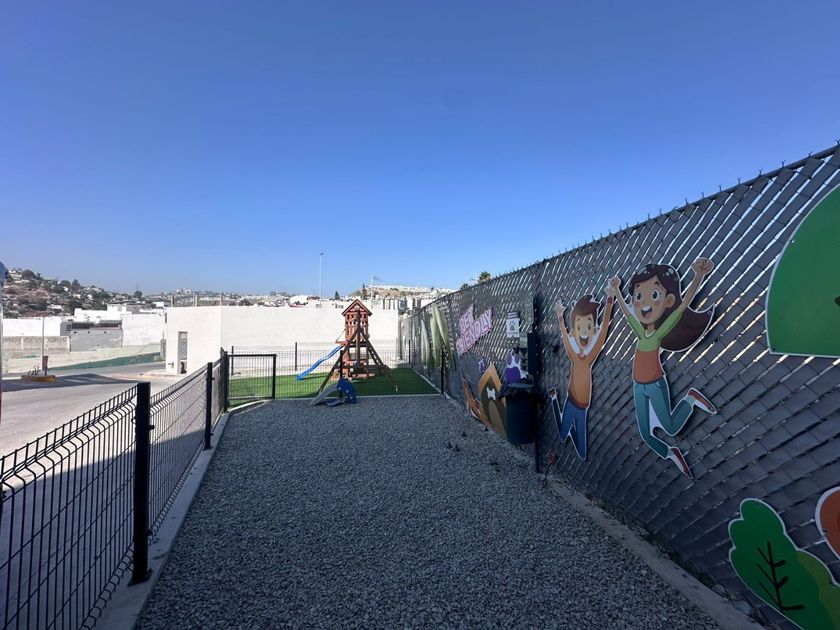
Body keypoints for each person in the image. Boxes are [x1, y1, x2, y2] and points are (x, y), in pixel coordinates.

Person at [610, 258, 716, 478]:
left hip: (655, 384)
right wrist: (617, 290)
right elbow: (627, 312)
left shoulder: (658, 334)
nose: (643, 303)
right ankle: (671, 453)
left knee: (671, 427)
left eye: (654, 295)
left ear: (667, 300)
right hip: (638, 386)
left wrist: (698, 275)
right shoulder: (641, 333)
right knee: (645, 434)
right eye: (638, 297)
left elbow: (682, 306)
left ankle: (690, 400)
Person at [549, 287, 614, 460]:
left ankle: (570, 429)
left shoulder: (590, 356)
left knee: (583, 453)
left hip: (583, 407)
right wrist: (560, 317)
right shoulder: (573, 354)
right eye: (579, 326)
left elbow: (604, 329)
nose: (584, 331)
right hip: (571, 401)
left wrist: (610, 299)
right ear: (574, 330)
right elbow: (564, 336)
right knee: (562, 435)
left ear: (593, 329)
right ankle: (554, 399)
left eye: (588, 326)